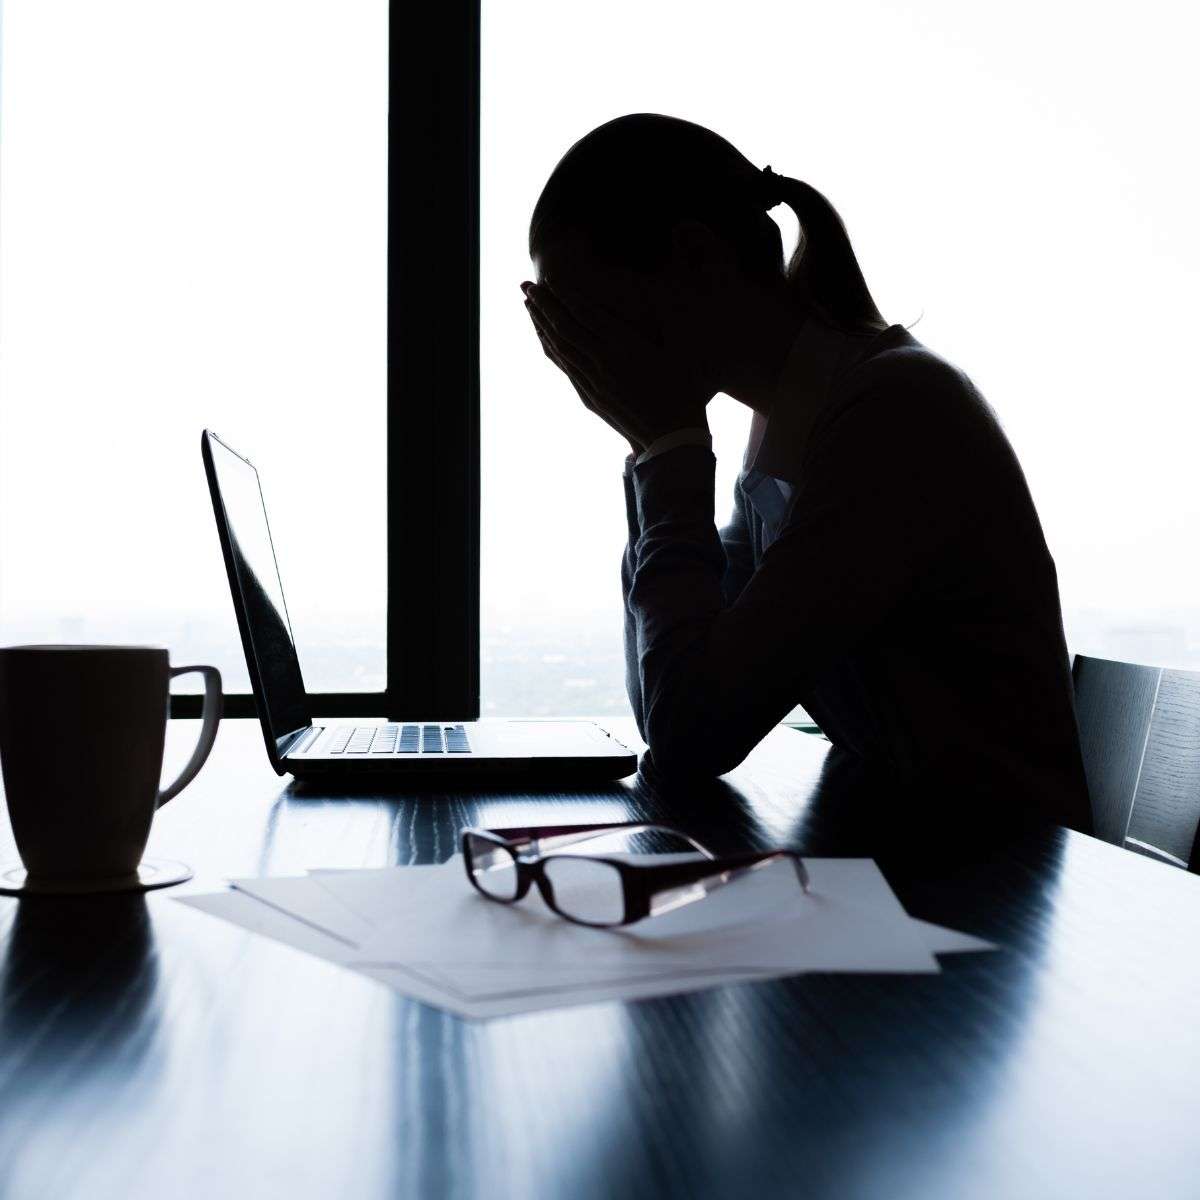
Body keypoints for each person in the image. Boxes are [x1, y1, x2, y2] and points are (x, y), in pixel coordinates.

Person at [521, 112, 1092, 834]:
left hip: (998, 869)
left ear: (695, 258)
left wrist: (667, 451)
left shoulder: (894, 411)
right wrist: (653, 452)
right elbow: (673, 704)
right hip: (918, 848)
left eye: (585, 317)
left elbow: (694, 733)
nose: (582, 354)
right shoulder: (795, 420)